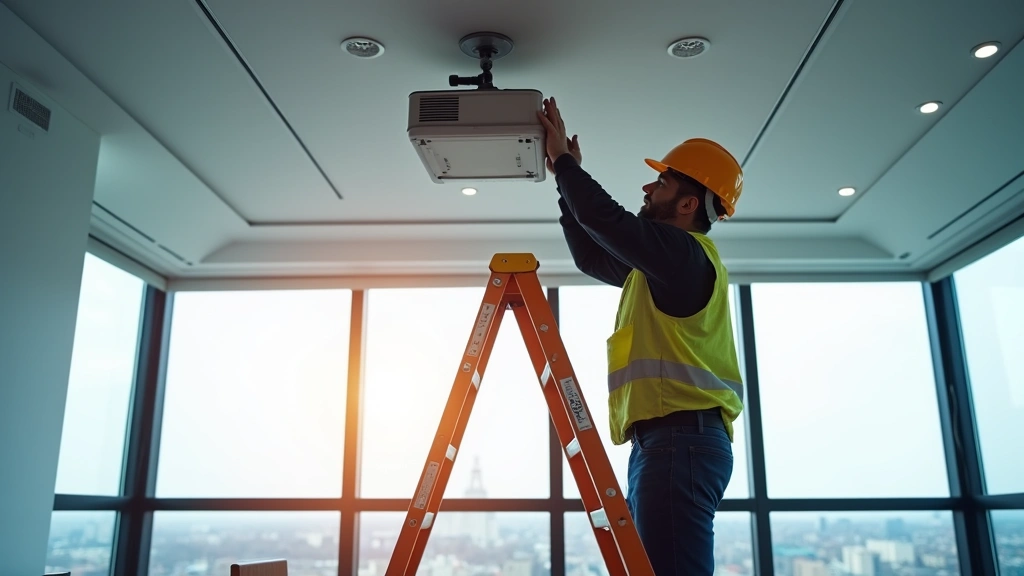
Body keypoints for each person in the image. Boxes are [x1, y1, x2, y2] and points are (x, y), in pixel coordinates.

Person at [537, 97, 745, 576]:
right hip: (672, 442)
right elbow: (593, 256)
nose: (648, 187)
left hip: (679, 440)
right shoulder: (661, 269)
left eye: (663, 183)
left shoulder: (683, 256)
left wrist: (567, 165)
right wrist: (564, 185)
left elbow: (609, 222)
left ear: (688, 204)